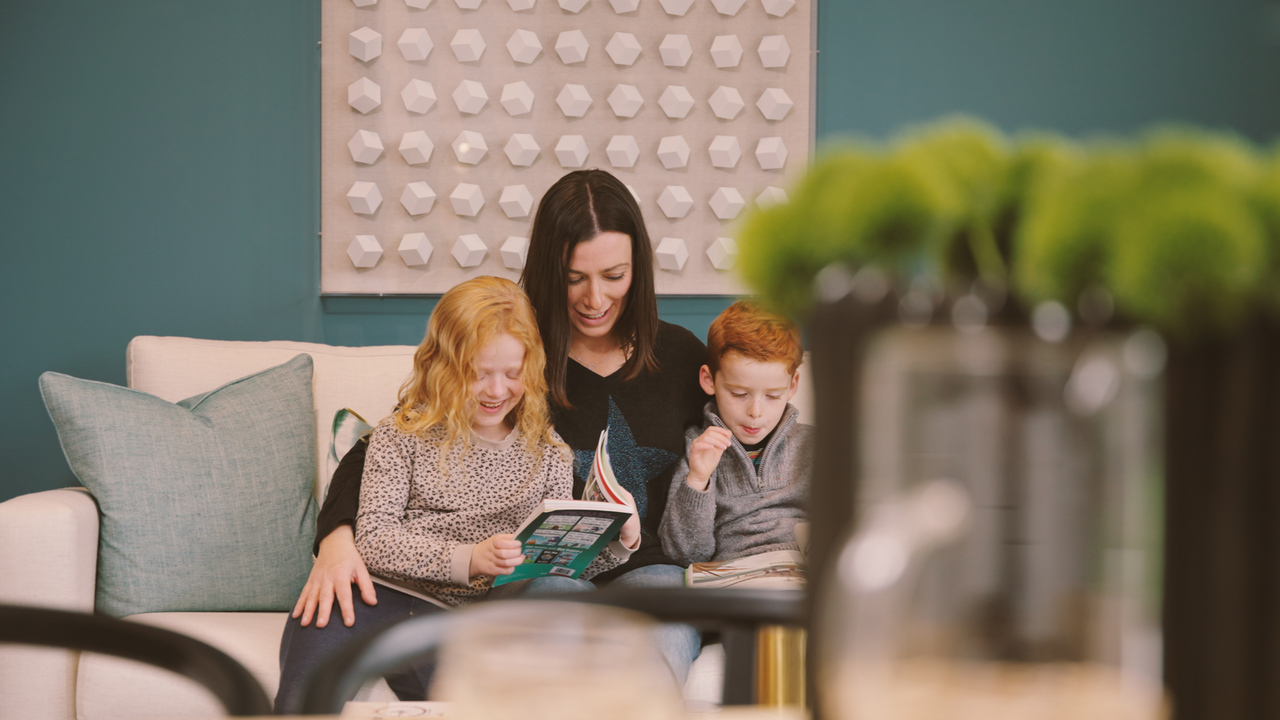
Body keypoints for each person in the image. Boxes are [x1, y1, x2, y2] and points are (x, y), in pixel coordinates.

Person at [291, 169, 708, 685]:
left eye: (614, 276)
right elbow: (387, 443)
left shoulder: (683, 356)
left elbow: (747, 435)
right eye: (574, 277)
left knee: (664, 630)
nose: (595, 299)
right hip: (538, 580)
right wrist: (336, 537)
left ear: (638, 270)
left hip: (645, 566)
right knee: (556, 604)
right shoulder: (512, 348)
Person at [273, 276, 640, 713]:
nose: (497, 390)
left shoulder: (549, 453)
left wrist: (619, 537)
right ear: (442, 366)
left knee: (565, 597)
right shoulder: (400, 435)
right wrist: (470, 558)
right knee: (321, 622)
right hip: (388, 594)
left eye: (512, 373)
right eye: (478, 374)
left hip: (484, 613)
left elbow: (558, 565)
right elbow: (372, 540)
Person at [658, 300, 812, 565]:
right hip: (733, 578)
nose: (755, 411)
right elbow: (685, 554)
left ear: (792, 385)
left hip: (804, 573)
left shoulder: (813, 445)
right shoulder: (696, 448)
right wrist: (698, 480)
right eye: (739, 394)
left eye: (773, 396)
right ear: (709, 380)